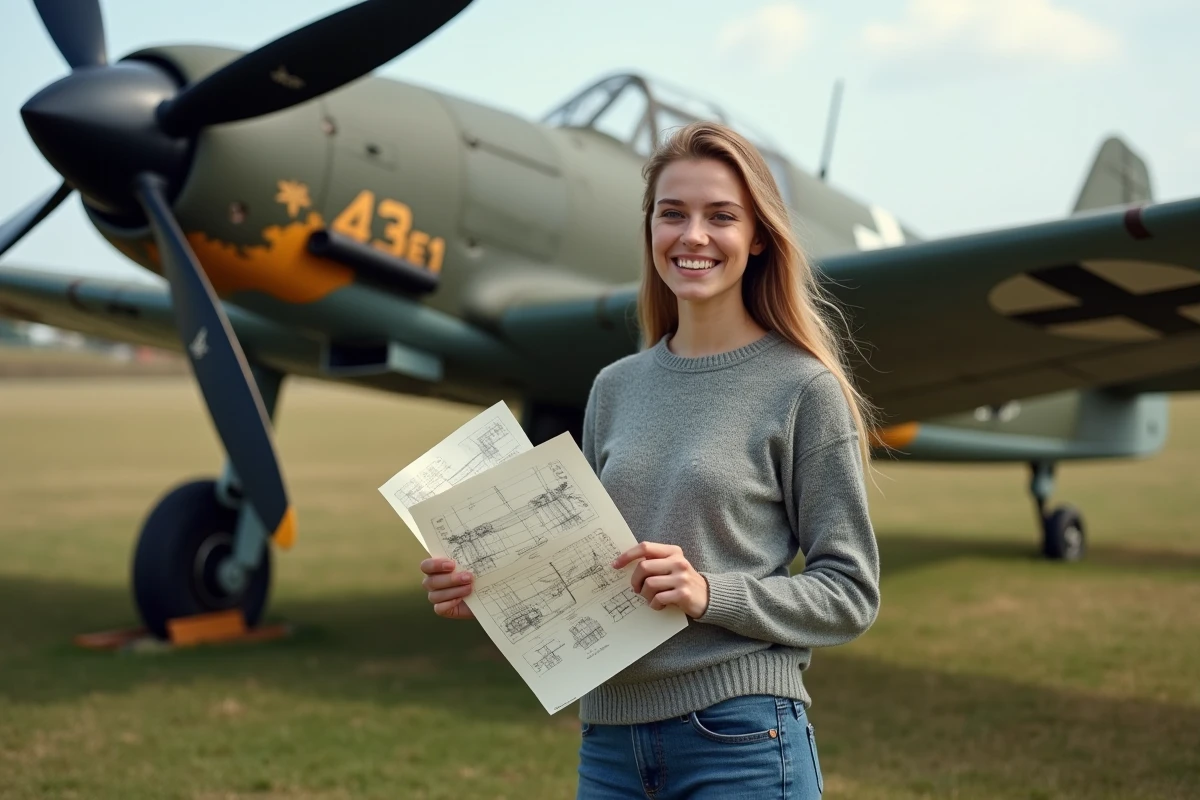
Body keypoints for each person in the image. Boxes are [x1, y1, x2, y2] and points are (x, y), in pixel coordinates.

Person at [420, 120, 881, 799]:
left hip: (741, 740)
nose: (693, 236)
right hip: (607, 746)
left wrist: (708, 592)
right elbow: (594, 569)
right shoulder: (615, 386)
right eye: (673, 214)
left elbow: (851, 593)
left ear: (758, 238)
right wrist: (486, 588)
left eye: (720, 216)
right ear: (651, 232)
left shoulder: (802, 388)